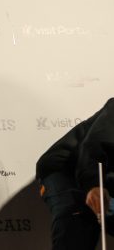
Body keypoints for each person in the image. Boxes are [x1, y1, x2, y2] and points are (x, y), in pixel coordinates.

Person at [36, 98, 114, 250]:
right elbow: (94, 146)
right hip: (67, 168)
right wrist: (94, 185)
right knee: (79, 222)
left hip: (105, 179)